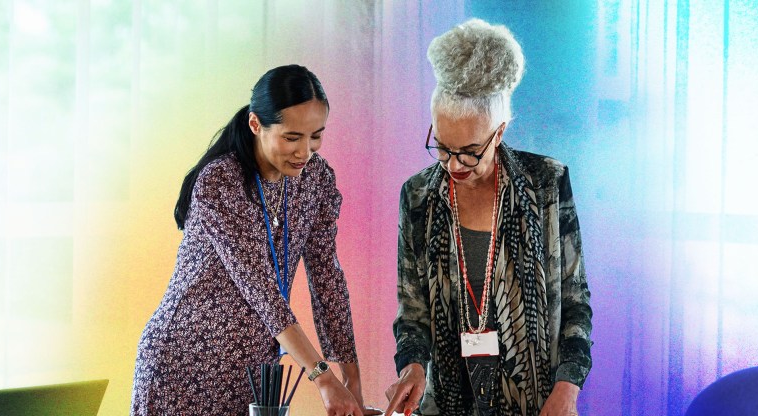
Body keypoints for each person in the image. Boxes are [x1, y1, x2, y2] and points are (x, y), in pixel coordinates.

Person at [131, 64, 379, 416]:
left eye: (316, 136)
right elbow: (262, 291)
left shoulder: (316, 179)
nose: (305, 151)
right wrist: (323, 377)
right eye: (291, 137)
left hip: (254, 375)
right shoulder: (221, 182)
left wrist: (352, 382)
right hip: (182, 366)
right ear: (255, 125)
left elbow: (327, 280)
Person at [385, 19, 593, 416]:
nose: (454, 164)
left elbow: (575, 301)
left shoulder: (546, 183)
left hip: (534, 401)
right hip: (447, 402)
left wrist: (568, 388)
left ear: (499, 132)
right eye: (443, 148)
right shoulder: (418, 196)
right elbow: (412, 311)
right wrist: (411, 366)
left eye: (469, 150)